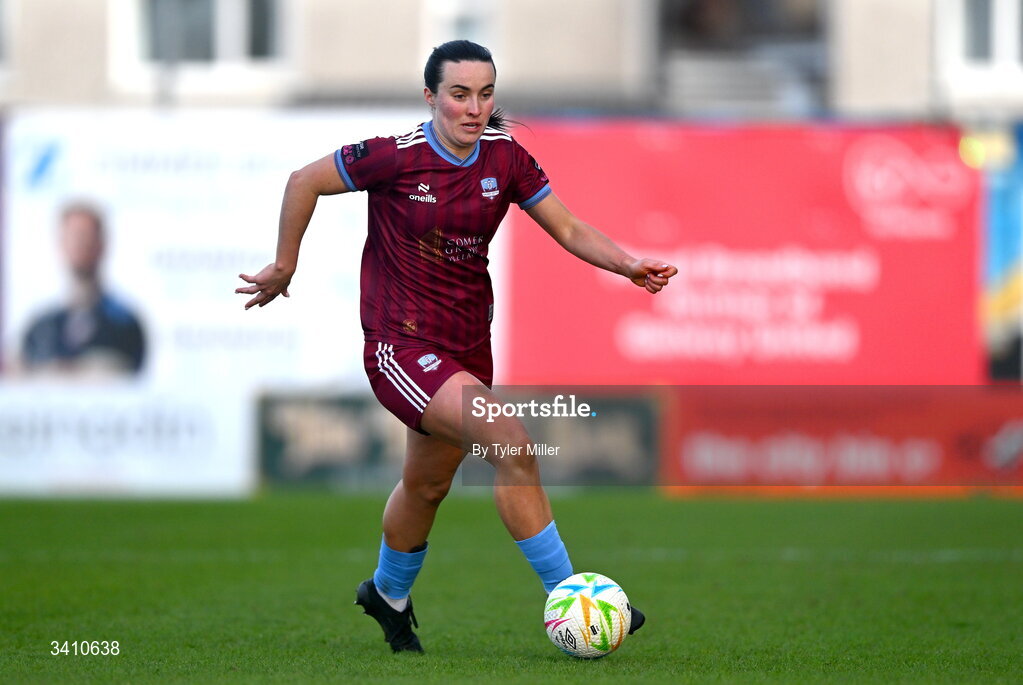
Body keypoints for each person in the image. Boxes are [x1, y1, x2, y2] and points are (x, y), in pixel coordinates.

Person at [236, 40, 678, 653]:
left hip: (468, 348)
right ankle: (575, 594)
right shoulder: (395, 157)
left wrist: (628, 264)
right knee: (513, 445)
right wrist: (285, 266)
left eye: (486, 94)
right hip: (401, 346)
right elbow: (302, 180)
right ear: (431, 97)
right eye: (460, 94)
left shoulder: (507, 159)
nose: (474, 107)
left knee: (426, 486)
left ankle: (386, 596)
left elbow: (569, 228)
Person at [20, 201, 146, 377]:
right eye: (73, 237)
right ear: (61, 244)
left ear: (101, 244)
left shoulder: (125, 325)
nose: (80, 244)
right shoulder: (41, 329)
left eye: (86, 236)